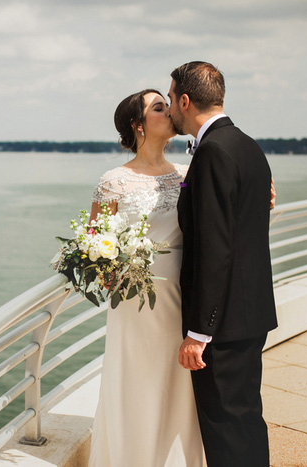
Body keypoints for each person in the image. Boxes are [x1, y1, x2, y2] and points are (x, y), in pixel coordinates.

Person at [168, 61, 278, 467]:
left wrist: (199, 332)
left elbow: (216, 246)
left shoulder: (213, 150)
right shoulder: (247, 144)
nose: (170, 109)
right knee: (246, 420)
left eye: (170, 100)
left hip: (223, 323)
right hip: (249, 314)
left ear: (185, 100)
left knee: (225, 431)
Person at [88, 89, 204, 466]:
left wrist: (260, 197)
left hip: (182, 297)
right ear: (137, 125)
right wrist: (113, 272)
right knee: (138, 383)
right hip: (135, 301)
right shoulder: (114, 182)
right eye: (158, 107)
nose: (168, 110)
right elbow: (94, 246)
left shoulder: (189, 174)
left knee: (178, 384)